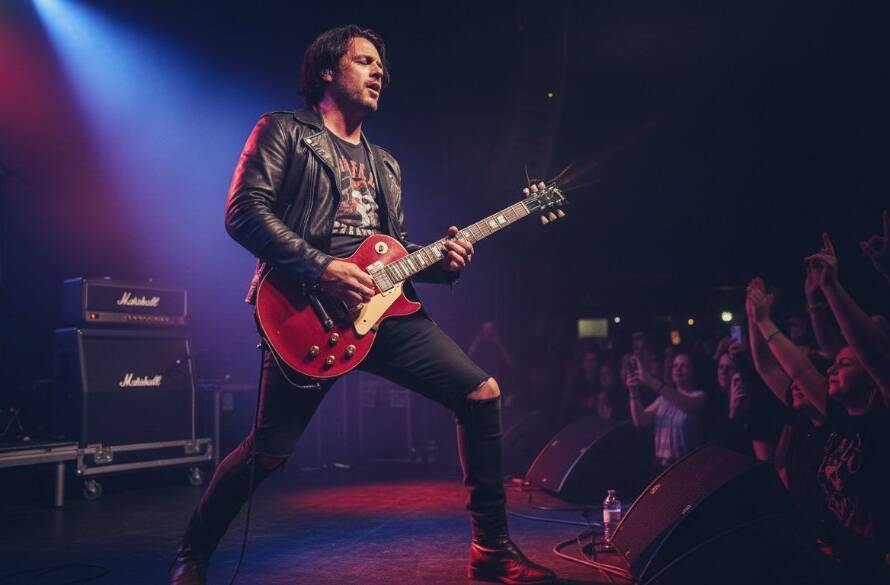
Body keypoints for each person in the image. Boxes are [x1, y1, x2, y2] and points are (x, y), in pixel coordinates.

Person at [169, 26, 556, 585]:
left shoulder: (386, 164)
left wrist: (441, 265)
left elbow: (390, 248)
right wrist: (321, 266)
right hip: (304, 310)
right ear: (327, 70)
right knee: (269, 453)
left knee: (481, 392)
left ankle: (491, 550)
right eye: (366, 61)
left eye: (383, 67)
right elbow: (244, 212)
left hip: (385, 313)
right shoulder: (283, 131)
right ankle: (194, 551)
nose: (380, 73)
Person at [625, 352, 707, 469]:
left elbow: (686, 404)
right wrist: (633, 392)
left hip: (686, 467)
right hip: (661, 466)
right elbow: (641, 421)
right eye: (675, 366)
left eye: (684, 366)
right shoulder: (663, 399)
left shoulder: (699, 396)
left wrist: (649, 379)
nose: (678, 369)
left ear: (694, 371)